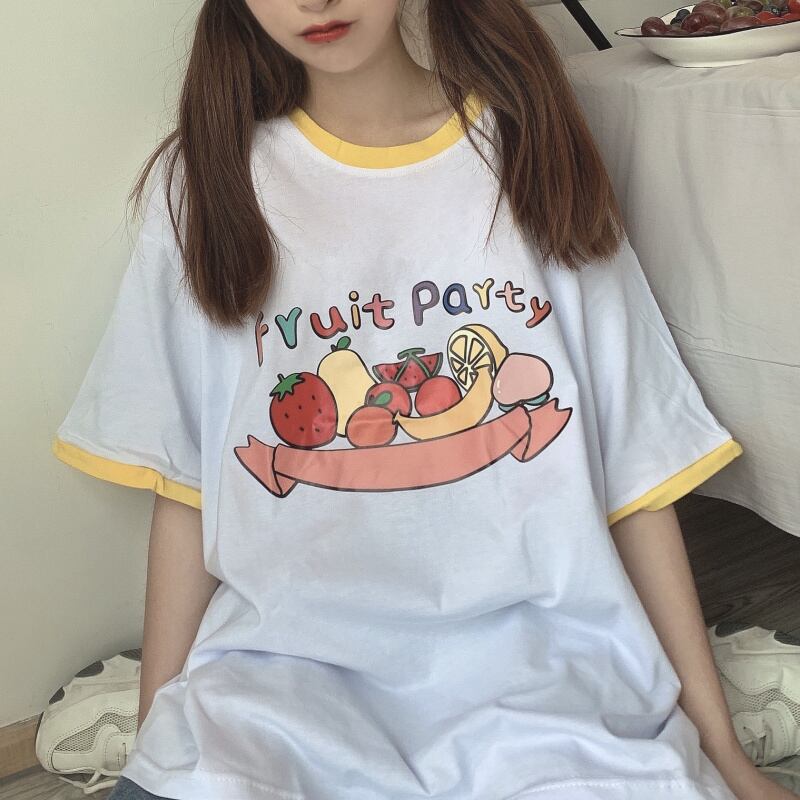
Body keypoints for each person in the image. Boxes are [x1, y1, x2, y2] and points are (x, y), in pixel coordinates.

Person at [51, 1, 794, 798]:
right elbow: (187, 480)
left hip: (545, 683)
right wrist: (159, 735)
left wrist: (721, 752)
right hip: (283, 685)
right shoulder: (206, 181)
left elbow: (637, 472)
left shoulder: (527, 151)